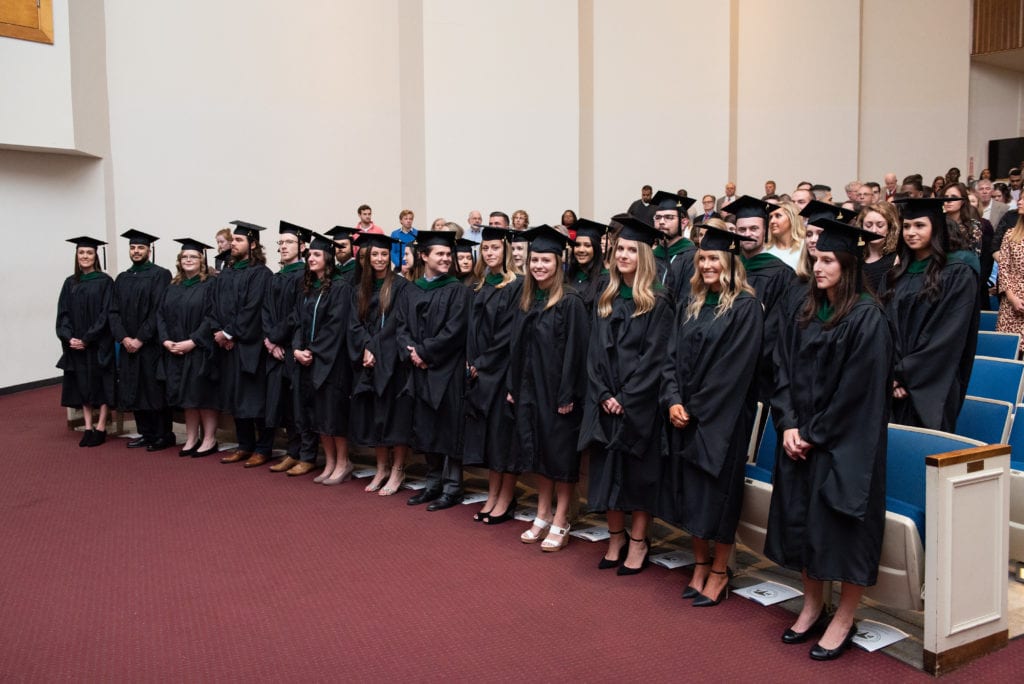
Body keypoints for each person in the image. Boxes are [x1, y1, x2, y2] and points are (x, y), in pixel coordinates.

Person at [766, 218, 892, 661]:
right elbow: (780, 370)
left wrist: (813, 433)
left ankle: (844, 616)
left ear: (849, 265)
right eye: (816, 258)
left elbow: (857, 392)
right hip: (801, 439)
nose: (818, 267)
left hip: (845, 446)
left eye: (828, 260)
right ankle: (813, 604)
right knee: (803, 525)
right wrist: (788, 425)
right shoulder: (803, 310)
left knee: (842, 531)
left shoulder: (866, 318)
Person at [661, 226, 763, 604]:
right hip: (684, 415)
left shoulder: (745, 307)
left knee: (716, 496)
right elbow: (669, 356)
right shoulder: (690, 303)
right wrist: (672, 399)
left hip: (722, 421)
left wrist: (694, 408)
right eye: (702, 258)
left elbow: (733, 371)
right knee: (690, 496)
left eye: (713, 259)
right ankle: (699, 564)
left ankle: (720, 570)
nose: (706, 264)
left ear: (730, 263)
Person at [580, 217, 673, 574]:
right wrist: (604, 393)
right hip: (605, 403)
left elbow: (656, 357)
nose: (624, 254)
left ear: (645, 256)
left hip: (640, 406)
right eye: (620, 249)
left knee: (637, 475)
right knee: (606, 473)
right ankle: (614, 537)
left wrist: (626, 396)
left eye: (632, 249)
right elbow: (593, 353)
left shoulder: (658, 301)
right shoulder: (605, 296)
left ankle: (638, 541)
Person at [508, 225, 589, 552]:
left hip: (559, 395)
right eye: (534, 260)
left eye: (545, 260)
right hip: (531, 391)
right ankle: (542, 514)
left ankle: (561, 518)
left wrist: (567, 393)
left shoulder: (570, 301)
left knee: (561, 459)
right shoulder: (528, 298)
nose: (539, 265)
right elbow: (516, 347)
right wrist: (515, 386)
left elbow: (577, 351)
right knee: (541, 454)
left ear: (559, 263)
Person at [881, 198, 979, 431]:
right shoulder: (895, 275)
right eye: (906, 226)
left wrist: (903, 375)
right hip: (890, 384)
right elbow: (883, 326)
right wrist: (889, 375)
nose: (911, 232)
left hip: (932, 382)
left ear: (936, 226)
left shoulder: (957, 273)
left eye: (919, 225)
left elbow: (947, 335)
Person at [395, 230, 472, 510]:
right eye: (439, 254)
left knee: (449, 428)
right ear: (424, 256)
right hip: (420, 370)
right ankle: (433, 484)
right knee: (426, 427)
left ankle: (452, 489)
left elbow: (455, 330)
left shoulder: (458, 291)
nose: (445, 259)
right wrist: (412, 352)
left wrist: (424, 352)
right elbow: (400, 327)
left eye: (448, 255)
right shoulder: (411, 289)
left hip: (446, 371)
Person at [463, 227, 523, 523]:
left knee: (504, 438)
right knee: (489, 438)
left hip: (502, 371)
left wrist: (483, 361)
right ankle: (493, 494)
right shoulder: (480, 285)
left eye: (495, 248)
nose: (489, 253)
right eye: (485, 248)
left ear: (506, 251)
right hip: (482, 373)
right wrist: (471, 360)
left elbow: (508, 335)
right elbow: (472, 331)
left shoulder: (516, 286)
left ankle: (506, 498)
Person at [348, 233, 412, 495]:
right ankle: (381, 468)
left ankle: (398, 470)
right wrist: (365, 346)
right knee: (376, 417)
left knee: (395, 418)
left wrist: (373, 347)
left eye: (383, 254)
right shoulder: (359, 289)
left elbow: (399, 322)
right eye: (374, 254)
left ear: (390, 256)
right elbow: (353, 324)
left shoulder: (400, 287)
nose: (379, 259)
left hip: (392, 362)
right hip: (370, 362)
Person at [208, 221, 274, 467]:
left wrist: (229, 333)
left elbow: (253, 309)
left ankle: (264, 448)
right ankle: (244, 445)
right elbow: (213, 304)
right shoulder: (227, 272)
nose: (233, 244)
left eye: (239, 240)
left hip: (250, 346)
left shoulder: (261, 274)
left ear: (253, 244)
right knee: (236, 397)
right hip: (228, 347)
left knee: (255, 399)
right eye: (233, 240)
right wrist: (218, 331)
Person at [293, 233, 355, 485]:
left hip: (332, 363)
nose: (311, 258)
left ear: (328, 258)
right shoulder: (308, 287)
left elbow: (335, 326)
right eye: (310, 255)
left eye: (317, 254)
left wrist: (313, 351)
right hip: (309, 360)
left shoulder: (340, 287)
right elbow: (297, 321)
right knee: (317, 416)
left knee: (333, 415)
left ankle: (343, 462)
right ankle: (329, 462)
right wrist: (297, 347)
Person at [724, 195, 796, 402]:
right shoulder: (727, 269)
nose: (748, 234)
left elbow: (775, 328)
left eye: (754, 229)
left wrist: (743, 360)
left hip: (759, 371)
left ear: (765, 231)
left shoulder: (781, 273)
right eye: (742, 230)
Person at [109, 230, 173, 451]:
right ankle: (145, 433)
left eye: (141, 248)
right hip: (128, 345)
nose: (136, 251)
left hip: (150, 345)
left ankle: (163, 435)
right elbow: (113, 312)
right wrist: (124, 338)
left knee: (153, 389)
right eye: (133, 247)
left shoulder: (160, 275)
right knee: (132, 388)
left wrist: (140, 338)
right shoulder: (123, 278)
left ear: (149, 250)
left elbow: (158, 310)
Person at [262, 221, 319, 476]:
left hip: (292, 348)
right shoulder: (276, 276)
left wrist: (275, 338)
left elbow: (297, 315)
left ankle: (307, 455)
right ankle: (292, 452)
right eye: (281, 243)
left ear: (302, 246)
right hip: (275, 349)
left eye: (289, 242)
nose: (284, 247)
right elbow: (265, 311)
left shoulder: (303, 277)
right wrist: (269, 340)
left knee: (299, 405)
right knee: (284, 404)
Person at [157, 238, 221, 457]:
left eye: (193, 256)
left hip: (199, 349)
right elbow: (160, 316)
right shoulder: (173, 286)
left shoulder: (210, 284)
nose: (188, 260)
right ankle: (192, 437)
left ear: (201, 260)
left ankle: (210, 439)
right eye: (185, 257)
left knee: (201, 395)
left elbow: (212, 316)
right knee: (186, 398)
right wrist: (166, 340)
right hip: (175, 349)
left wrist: (193, 341)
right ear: (179, 260)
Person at [57, 237, 115, 447]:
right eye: (81, 253)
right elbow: (62, 314)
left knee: (102, 383)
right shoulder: (70, 282)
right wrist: (68, 336)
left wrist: (88, 338)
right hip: (76, 345)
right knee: (82, 384)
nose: (85, 257)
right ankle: (88, 426)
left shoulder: (105, 281)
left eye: (89, 253)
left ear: (96, 256)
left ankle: (101, 427)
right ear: (77, 256)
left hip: (98, 343)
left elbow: (106, 314)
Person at [941, 182, 993, 308]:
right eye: (945, 197)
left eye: (953, 196)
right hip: (939, 284)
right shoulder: (936, 224)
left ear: (963, 200)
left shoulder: (973, 226)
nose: (948, 200)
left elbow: (978, 258)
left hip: (966, 284)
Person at [649, 191, 697, 292]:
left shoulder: (692, 256)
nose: (661, 222)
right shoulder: (650, 255)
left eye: (669, 217)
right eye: (658, 218)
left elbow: (688, 298)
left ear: (683, 223)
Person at [565, 218, 608, 313]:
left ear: (596, 248)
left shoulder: (605, 279)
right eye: (577, 245)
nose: (581, 249)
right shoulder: (568, 276)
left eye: (587, 245)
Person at [856, 202, 900, 293]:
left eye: (880, 225)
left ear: (889, 228)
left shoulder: (896, 258)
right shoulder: (855, 255)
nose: (874, 230)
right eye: (868, 225)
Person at [996, 209, 1024, 354]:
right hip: (1011, 303)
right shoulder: (1010, 234)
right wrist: (1012, 297)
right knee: (1009, 352)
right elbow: (1003, 267)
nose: (1019, 202)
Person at [764, 202, 805, 270]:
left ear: (792, 219)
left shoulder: (805, 247)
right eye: (770, 217)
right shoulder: (766, 250)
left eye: (778, 216)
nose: (772, 221)